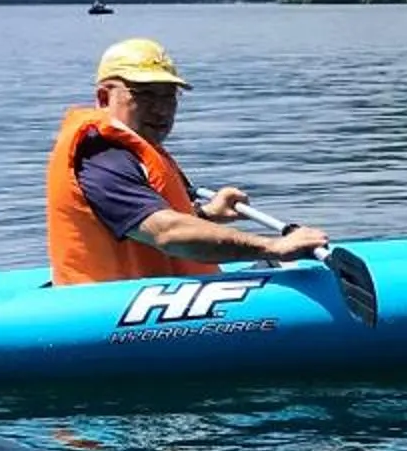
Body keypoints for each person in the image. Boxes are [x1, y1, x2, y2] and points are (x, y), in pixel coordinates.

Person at [42, 36, 328, 287]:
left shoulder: (135, 150)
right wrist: (273, 246)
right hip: (107, 316)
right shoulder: (101, 159)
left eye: (169, 96)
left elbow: (144, 223)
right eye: (145, 94)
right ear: (104, 98)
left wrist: (205, 214)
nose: (161, 108)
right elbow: (167, 233)